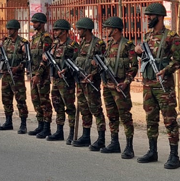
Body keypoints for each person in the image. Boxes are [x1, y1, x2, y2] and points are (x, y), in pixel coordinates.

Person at [135, 3, 180, 169]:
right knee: (151, 118)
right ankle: (152, 150)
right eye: (147, 16)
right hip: (148, 83)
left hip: (164, 85)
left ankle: (174, 155)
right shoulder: (147, 35)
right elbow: (143, 55)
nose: (148, 19)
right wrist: (138, 51)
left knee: (169, 119)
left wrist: (166, 70)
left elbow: (178, 61)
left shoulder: (171, 36)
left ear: (160, 17)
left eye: (150, 16)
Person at [99, 17, 137, 158]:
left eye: (108, 28)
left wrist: (126, 82)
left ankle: (129, 146)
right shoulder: (109, 45)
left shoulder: (127, 45)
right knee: (111, 115)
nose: (107, 30)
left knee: (125, 116)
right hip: (108, 86)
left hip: (120, 86)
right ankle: (114, 142)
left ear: (116, 29)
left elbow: (134, 67)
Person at [41, 19, 79, 144]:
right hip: (56, 80)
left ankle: (72, 132)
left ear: (64, 31)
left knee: (69, 107)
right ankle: (59, 130)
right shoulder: (55, 44)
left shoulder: (72, 45)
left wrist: (66, 70)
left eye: (57, 30)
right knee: (57, 104)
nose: (55, 32)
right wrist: (46, 57)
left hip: (66, 80)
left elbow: (76, 62)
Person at [72, 18, 107, 148]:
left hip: (92, 82)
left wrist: (93, 75)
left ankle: (101, 138)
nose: (78, 31)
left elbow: (102, 63)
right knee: (84, 108)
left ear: (86, 30)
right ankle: (86, 135)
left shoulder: (98, 44)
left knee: (95, 109)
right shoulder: (81, 43)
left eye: (80, 29)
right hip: (81, 81)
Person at [0, 19, 29, 133]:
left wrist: (18, 68)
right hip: (6, 74)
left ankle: (23, 124)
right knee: (6, 98)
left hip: (17, 75)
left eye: (11, 29)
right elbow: (1, 56)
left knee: (20, 99)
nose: (9, 31)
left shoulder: (22, 43)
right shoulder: (6, 42)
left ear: (16, 30)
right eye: (8, 29)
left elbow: (27, 60)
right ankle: (8, 121)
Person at [28, 13, 54, 137]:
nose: (33, 24)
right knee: (35, 100)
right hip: (33, 74)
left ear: (42, 23)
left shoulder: (46, 38)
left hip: (43, 76)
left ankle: (47, 127)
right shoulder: (34, 38)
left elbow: (46, 58)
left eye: (36, 22)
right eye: (33, 22)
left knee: (44, 101)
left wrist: (38, 74)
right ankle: (40, 125)